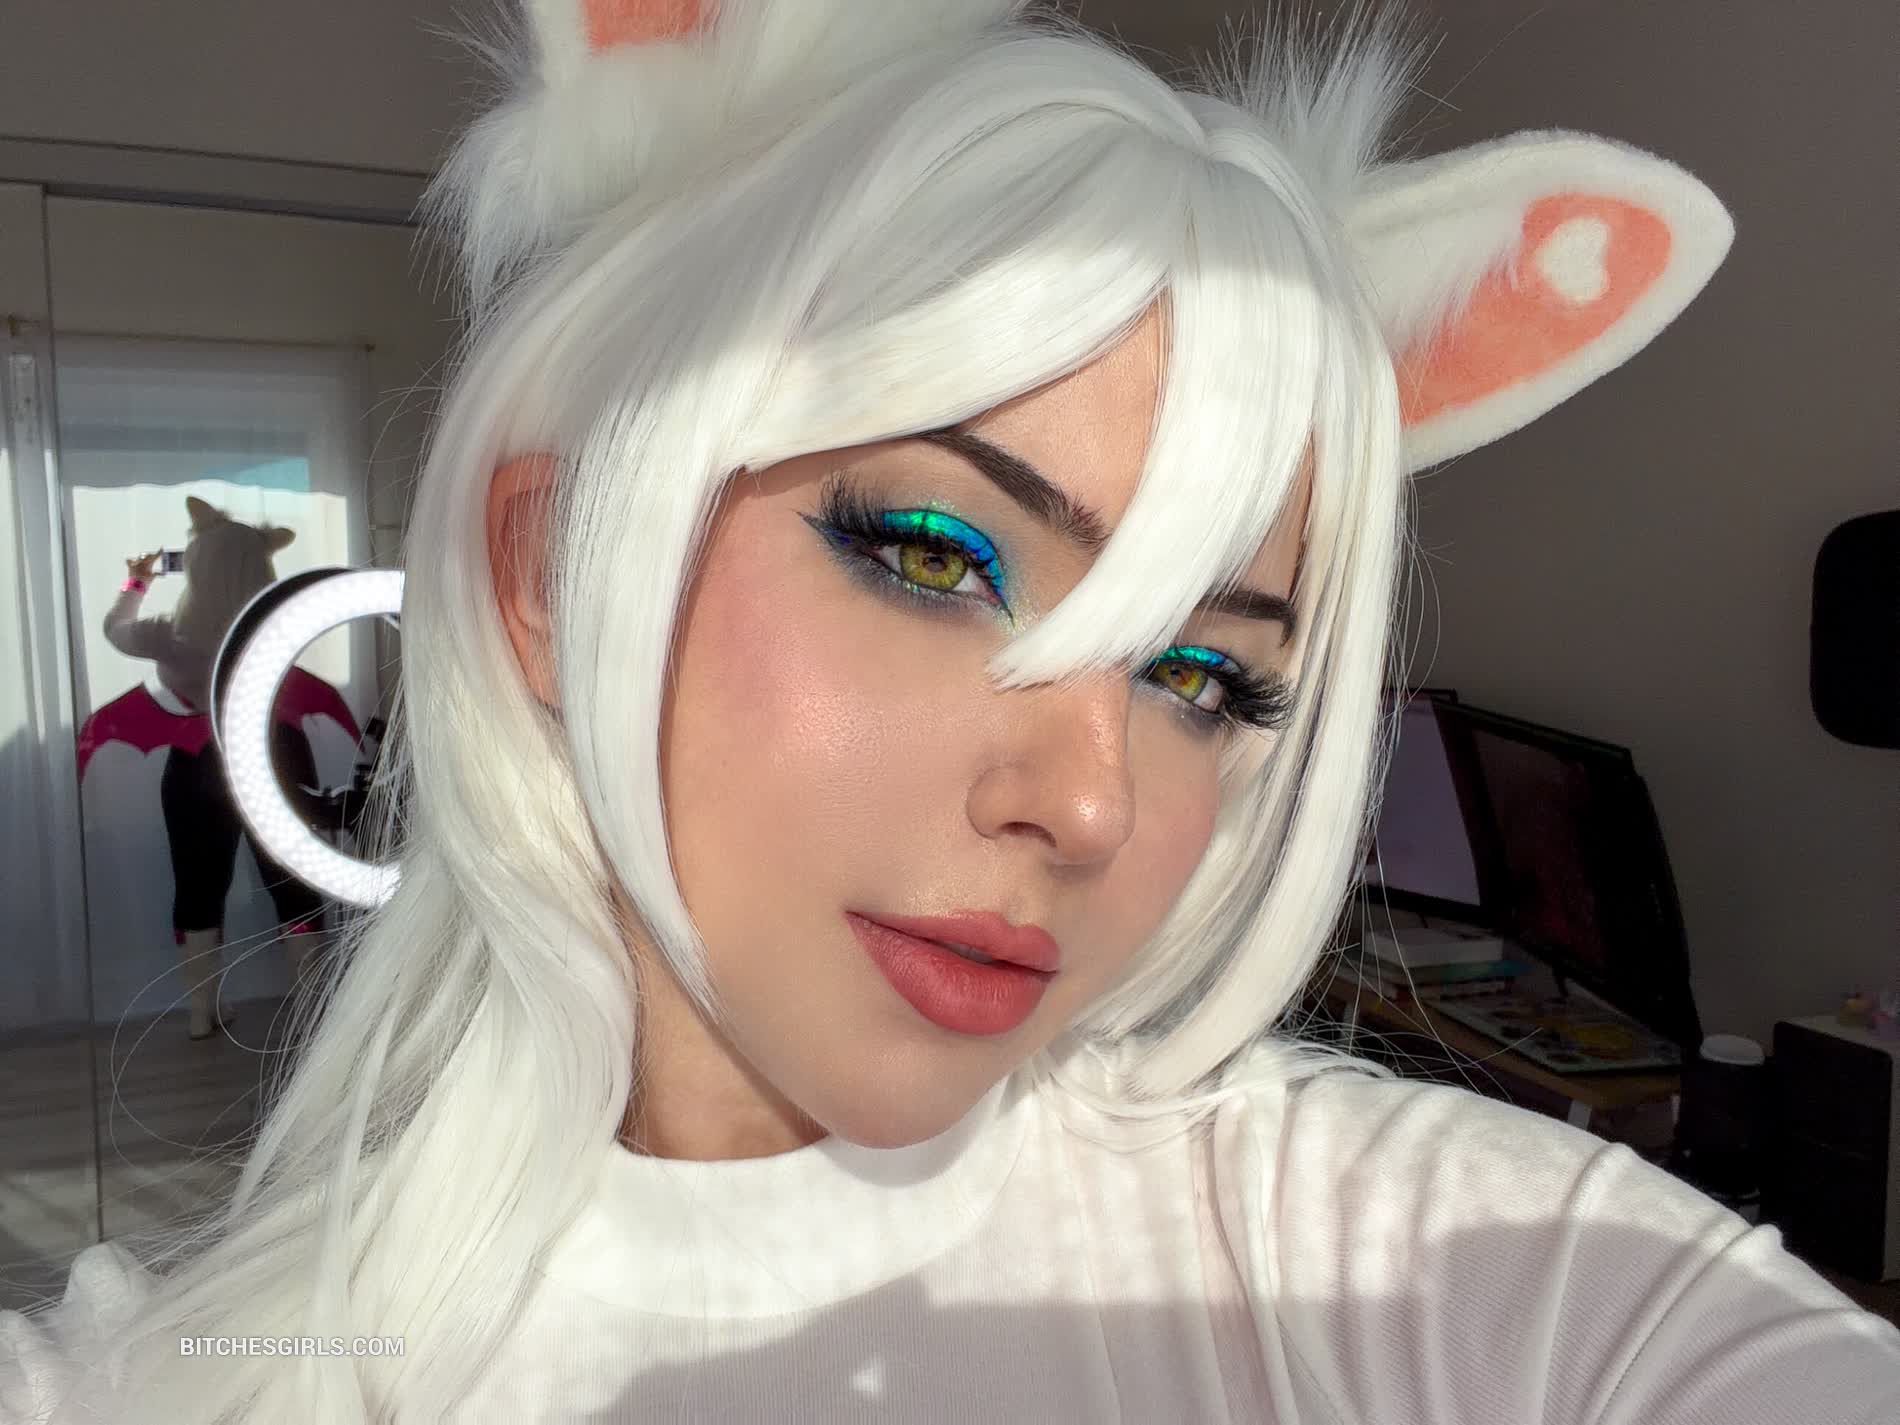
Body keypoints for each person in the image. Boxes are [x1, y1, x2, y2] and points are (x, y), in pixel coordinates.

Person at [5, 2, 1897, 1420]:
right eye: (931, 553)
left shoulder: (1400, 1264)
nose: (1091, 801)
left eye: (1206, 676)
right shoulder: (176, 1379)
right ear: (550, 573)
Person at [96, 497, 331, 1038]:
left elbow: (114, 629)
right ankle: (314, 1008)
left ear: (198, 565)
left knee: (197, 885)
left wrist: (137, 581)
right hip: (276, 751)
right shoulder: (279, 626)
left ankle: (202, 1012)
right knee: (294, 879)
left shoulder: (170, 634)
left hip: (198, 757)